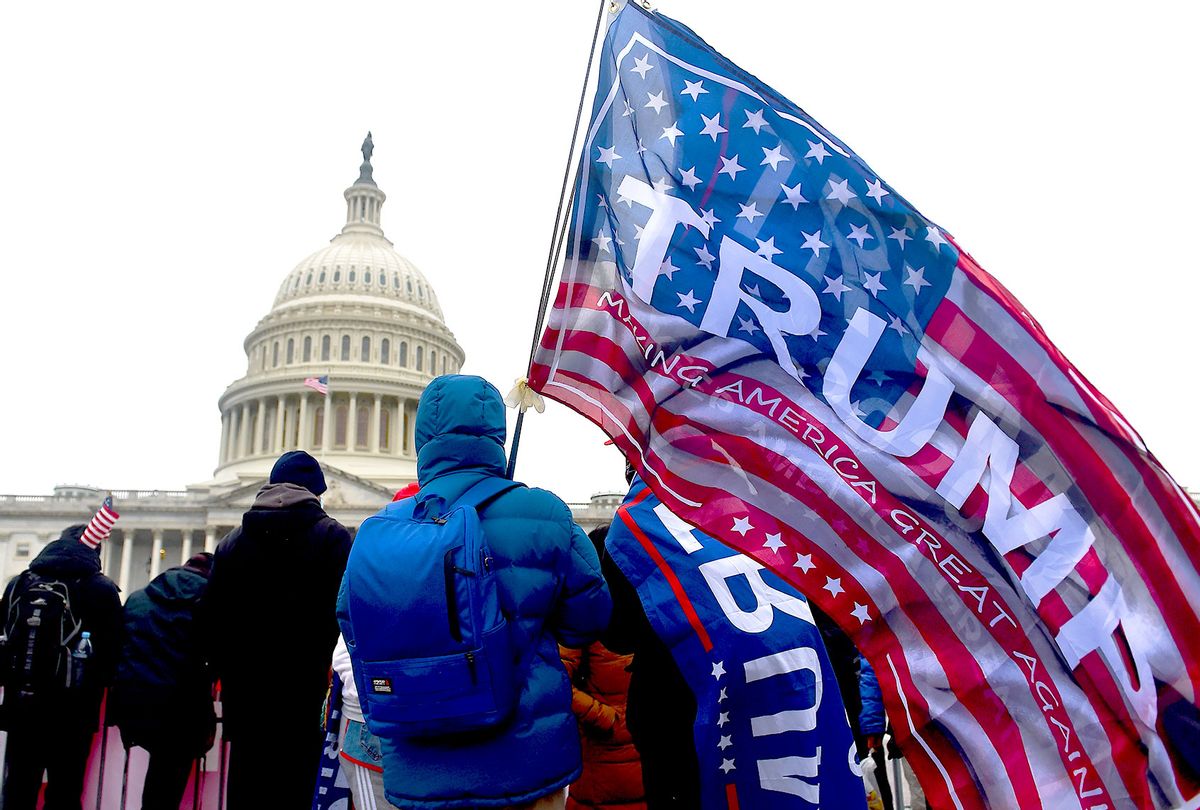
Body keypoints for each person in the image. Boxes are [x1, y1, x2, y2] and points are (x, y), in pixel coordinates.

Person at [351, 374, 611, 810]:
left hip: (421, 764)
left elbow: (353, 627)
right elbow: (591, 620)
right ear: (497, 434)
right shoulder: (545, 513)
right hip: (526, 761)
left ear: (423, 438)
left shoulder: (383, 530)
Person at [202, 450, 352, 809]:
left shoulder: (232, 542)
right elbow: (345, 616)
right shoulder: (332, 537)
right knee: (298, 787)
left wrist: (227, 671)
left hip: (245, 696)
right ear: (316, 492)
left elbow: (211, 621)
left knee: (246, 787)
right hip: (304, 692)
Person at [0, 524, 122, 810]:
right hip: (73, 709)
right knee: (65, 791)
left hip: (22, 702)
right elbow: (113, 651)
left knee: (18, 786)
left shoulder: (20, 582)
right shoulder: (100, 588)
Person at [600, 466, 700, 809]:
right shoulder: (735, 519)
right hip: (734, 695)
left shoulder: (626, 532)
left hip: (663, 703)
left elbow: (618, 635)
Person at [108, 552, 216, 810]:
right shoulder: (209, 603)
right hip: (178, 711)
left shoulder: (137, 598)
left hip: (131, 706)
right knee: (166, 783)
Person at [559, 527, 646, 810]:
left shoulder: (654, 608)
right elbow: (557, 682)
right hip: (603, 775)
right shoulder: (583, 616)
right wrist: (607, 719)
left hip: (651, 764)